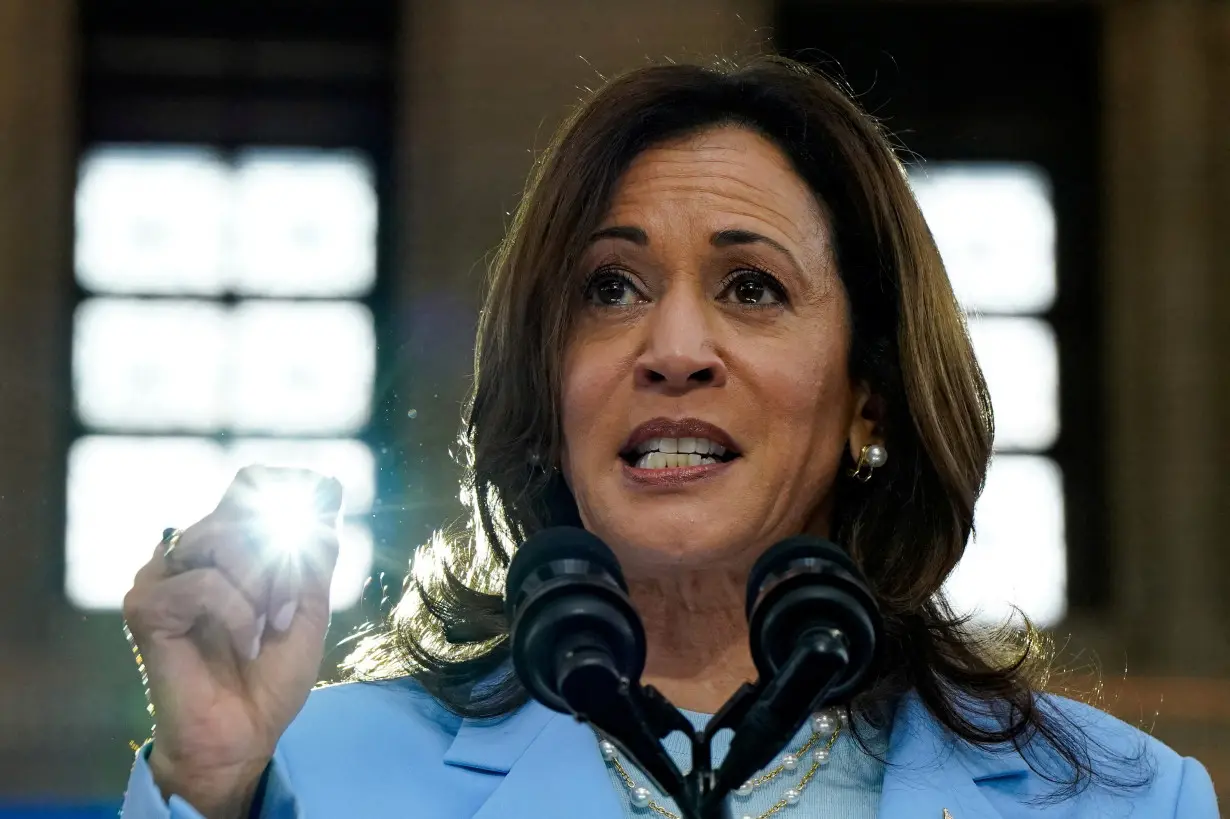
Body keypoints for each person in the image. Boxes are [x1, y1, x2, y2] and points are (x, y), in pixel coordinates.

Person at [119, 57, 1218, 819]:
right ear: (549, 389)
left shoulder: (1126, 798)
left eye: (751, 286)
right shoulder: (318, 778)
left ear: (870, 397)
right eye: (610, 287)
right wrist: (207, 784)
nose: (674, 345)